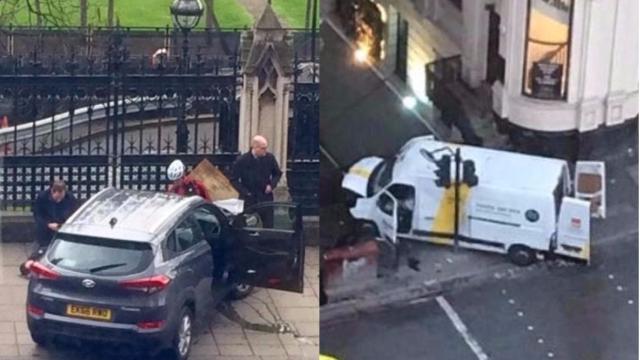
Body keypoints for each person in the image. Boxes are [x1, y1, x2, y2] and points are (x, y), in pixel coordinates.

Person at [19, 180, 77, 276]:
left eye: (61, 197)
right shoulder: (43, 197)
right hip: (44, 230)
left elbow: (73, 214)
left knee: (59, 250)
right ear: (53, 191)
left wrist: (61, 225)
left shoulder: (70, 198)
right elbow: (38, 214)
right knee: (40, 249)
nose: (59, 200)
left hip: (61, 228)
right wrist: (48, 224)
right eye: (57, 197)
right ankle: (30, 265)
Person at [230, 135, 282, 228]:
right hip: (249, 198)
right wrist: (245, 192)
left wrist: (271, 185)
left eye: (266, 148)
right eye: (263, 148)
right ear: (255, 147)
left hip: (265, 196)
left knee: (269, 225)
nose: (265, 151)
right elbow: (233, 179)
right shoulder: (242, 160)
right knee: (247, 225)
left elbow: (277, 173)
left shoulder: (269, 158)